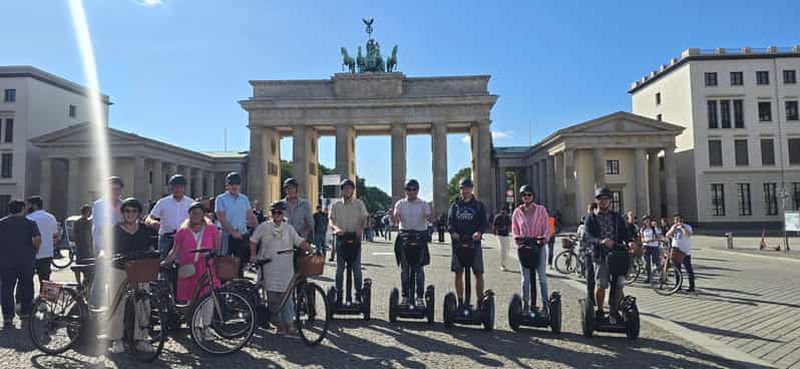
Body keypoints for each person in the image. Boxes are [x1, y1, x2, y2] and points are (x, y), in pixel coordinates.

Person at [97, 198, 156, 353]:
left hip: (140, 270)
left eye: (134, 211)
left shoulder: (144, 229)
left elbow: (149, 247)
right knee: (116, 303)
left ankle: (141, 338)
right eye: (127, 211)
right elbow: (105, 248)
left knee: (143, 303)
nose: (130, 214)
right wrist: (103, 256)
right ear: (123, 213)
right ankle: (116, 339)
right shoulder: (115, 230)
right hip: (119, 269)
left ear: (138, 213)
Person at [250, 201, 312, 336]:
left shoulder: (289, 228)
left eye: (279, 213)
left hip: (285, 266)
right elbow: (253, 240)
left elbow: (299, 241)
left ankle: (289, 324)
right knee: (272, 296)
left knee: (287, 296)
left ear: (283, 214)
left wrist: (310, 249)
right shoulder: (263, 226)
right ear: (271, 214)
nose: (276, 215)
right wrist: (253, 255)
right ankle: (278, 323)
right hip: (269, 266)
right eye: (274, 212)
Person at [160, 201, 220, 340]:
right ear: (189, 215)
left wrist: (209, 254)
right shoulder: (182, 231)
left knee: (207, 298)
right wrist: (164, 263)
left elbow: (216, 248)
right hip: (188, 269)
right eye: (193, 213)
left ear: (203, 215)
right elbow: (175, 251)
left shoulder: (212, 230)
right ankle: (195, 327)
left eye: (198, 213)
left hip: (206, 268)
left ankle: (206, 326)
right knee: (192, 299)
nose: (195, 216)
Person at [582, 187, 633, 324]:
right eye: (600, 199)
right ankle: (599, 310)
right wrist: (601, 241)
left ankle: (614, 310)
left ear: (610, 200)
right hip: (600, 255)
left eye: (606, 199)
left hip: (617, 254)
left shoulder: (616, 217)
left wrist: (630, 242)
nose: (603, 201)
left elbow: (624, 233)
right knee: (602, 284)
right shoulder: (590, 218)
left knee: (618, 284)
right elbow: (588, 237)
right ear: (596, 200)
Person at [447, 178, 488, 308]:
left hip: (474, 243)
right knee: (458, 273)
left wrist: (479, 233)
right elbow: (449, 222)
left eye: (467, 188)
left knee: (478, 273)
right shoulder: (454, 206)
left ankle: (480, 302)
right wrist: (452, 232)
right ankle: (460, 302)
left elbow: (483, 223)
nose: (465, 190)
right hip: (458, 244)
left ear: (471, 189)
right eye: (462, 188)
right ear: (460, 190)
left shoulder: (478, 205)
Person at [511, 185, 551, 316]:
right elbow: (515, 229)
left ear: (533, 196)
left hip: (538, 247)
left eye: (529, 195)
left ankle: (545, 305)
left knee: (541, 277)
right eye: (524, 195)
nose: (527, 197)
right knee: (525, 277)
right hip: (524, 247)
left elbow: (547, 227)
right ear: (521, 197)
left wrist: (544, 238)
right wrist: (518, 239)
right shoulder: (517, 211)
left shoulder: (541, 210)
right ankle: (526, 305)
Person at [0, 200, 41, 327]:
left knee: (6, 288)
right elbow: (37, 239)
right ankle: (25, 312)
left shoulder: (2, 223)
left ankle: (8, 317)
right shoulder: (30, 223)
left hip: (6, 261)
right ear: (23, 209)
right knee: (26, 286)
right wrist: (36, 250)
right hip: (26, 261)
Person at [392, 179, 432, 306]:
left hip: (419, 237)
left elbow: (429, 216)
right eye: (408, 189)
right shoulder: (400, 203)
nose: (411, 192)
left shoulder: (424, 204)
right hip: (404, 236)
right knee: (404, 269)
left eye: (414, 189)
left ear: (418, 190)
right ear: (405, 191)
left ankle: (419, 297)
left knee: (419, 269)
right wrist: (395, 216)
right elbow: (396, 215)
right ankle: (405, 296)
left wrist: (431, 216)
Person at [329, 178, 369, 304]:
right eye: (345, 188)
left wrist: (360, 228)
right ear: (342, 190)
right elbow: (331, 219)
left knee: (356, 268)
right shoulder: (336, 205)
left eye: (349, 188)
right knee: (340, 268)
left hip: (354, 239)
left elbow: (364, 217)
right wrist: (336, 228)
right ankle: (339, 294)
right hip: (341, 238)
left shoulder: (359, 204)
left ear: (352, 190)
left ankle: (358, 295)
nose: (347, 190)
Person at [215, 172, 257, 277]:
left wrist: (258, 228)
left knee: (240, 264)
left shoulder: (244, 199)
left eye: (237, 184)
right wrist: (232, 232)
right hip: (227, 235)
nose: (234, 186)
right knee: (226, 263)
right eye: (231, 184)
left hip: (242, 234)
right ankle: (225, 288)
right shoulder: (221, 199)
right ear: (227, 186)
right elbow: (221, 218)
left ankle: (238, 288)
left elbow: (250, 216)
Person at [146, 174, 194, 262]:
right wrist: (152, 222)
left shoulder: (191, 203)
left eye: (180, 187)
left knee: (185, 264)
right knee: (164, 264)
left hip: (185, 238)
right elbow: (149, 218)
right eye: (175, 187)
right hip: (166, 238)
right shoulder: (163, 202)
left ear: (184, 188)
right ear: (170, 188)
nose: (177, 189)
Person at [26, 196, 59, 284]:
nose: (27, 207)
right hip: (47, 253)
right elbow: (55, 236)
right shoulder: (51, 217)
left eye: (29, 205)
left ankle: (29, 297)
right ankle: (44, 297)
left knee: (28, 279)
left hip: (31, 253)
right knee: (45, 280)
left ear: (34, 205)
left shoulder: (29, 218)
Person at [92, 176, 125, 255]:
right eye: (112, 189)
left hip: (121, 245)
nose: (115, 191)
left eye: (118, 189)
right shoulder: (99, 205)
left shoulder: (124, 205)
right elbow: (99, 228)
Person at [666, 213, 695, 293]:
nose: (677, 221)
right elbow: (667, 235)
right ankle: (678, 286)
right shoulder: (673, 227)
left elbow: (688, 235)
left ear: (682, 220)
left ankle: (692, 287)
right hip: (676, 251)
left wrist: (682, 227)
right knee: (677, 270)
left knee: (688, 270)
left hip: (685, 252)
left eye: (678, 219)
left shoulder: (687, 227)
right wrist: (673, 229)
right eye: (675, 220)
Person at [72, 204, 94, 284]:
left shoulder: (77, 222)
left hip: (79, 248)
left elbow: (75, 235)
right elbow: (88, 236)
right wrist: (90, 249)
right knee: (88, 268)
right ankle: (86, 283)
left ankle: (78, 283)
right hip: (86, 249)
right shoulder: (87, 222)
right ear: (88, 212)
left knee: (78, 266)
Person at [639, 215, 662, 283]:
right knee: (647, 263)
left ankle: (662, 276)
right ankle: (648, 277)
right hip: (646, 246)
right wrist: (644, 241)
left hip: (654, 246)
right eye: (645, 220)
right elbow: (642, 238)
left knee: (656, 261)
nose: (647, 221)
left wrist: (653, 239)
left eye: (648, 220)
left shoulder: (654, 229)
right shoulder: (642, 229)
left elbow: (659, 237)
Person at [492, 207, 512, 272]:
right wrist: (496, 231)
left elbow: (510, 224)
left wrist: (509, 229)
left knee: (507, 249)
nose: (504, 212)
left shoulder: (507, 217)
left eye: (505, 211)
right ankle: (502, 265)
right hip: (499, 234)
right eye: (503, 210)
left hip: (506, 234)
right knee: (502, 249)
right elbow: (494, 225)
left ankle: (505, 263)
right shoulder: (498, 217)